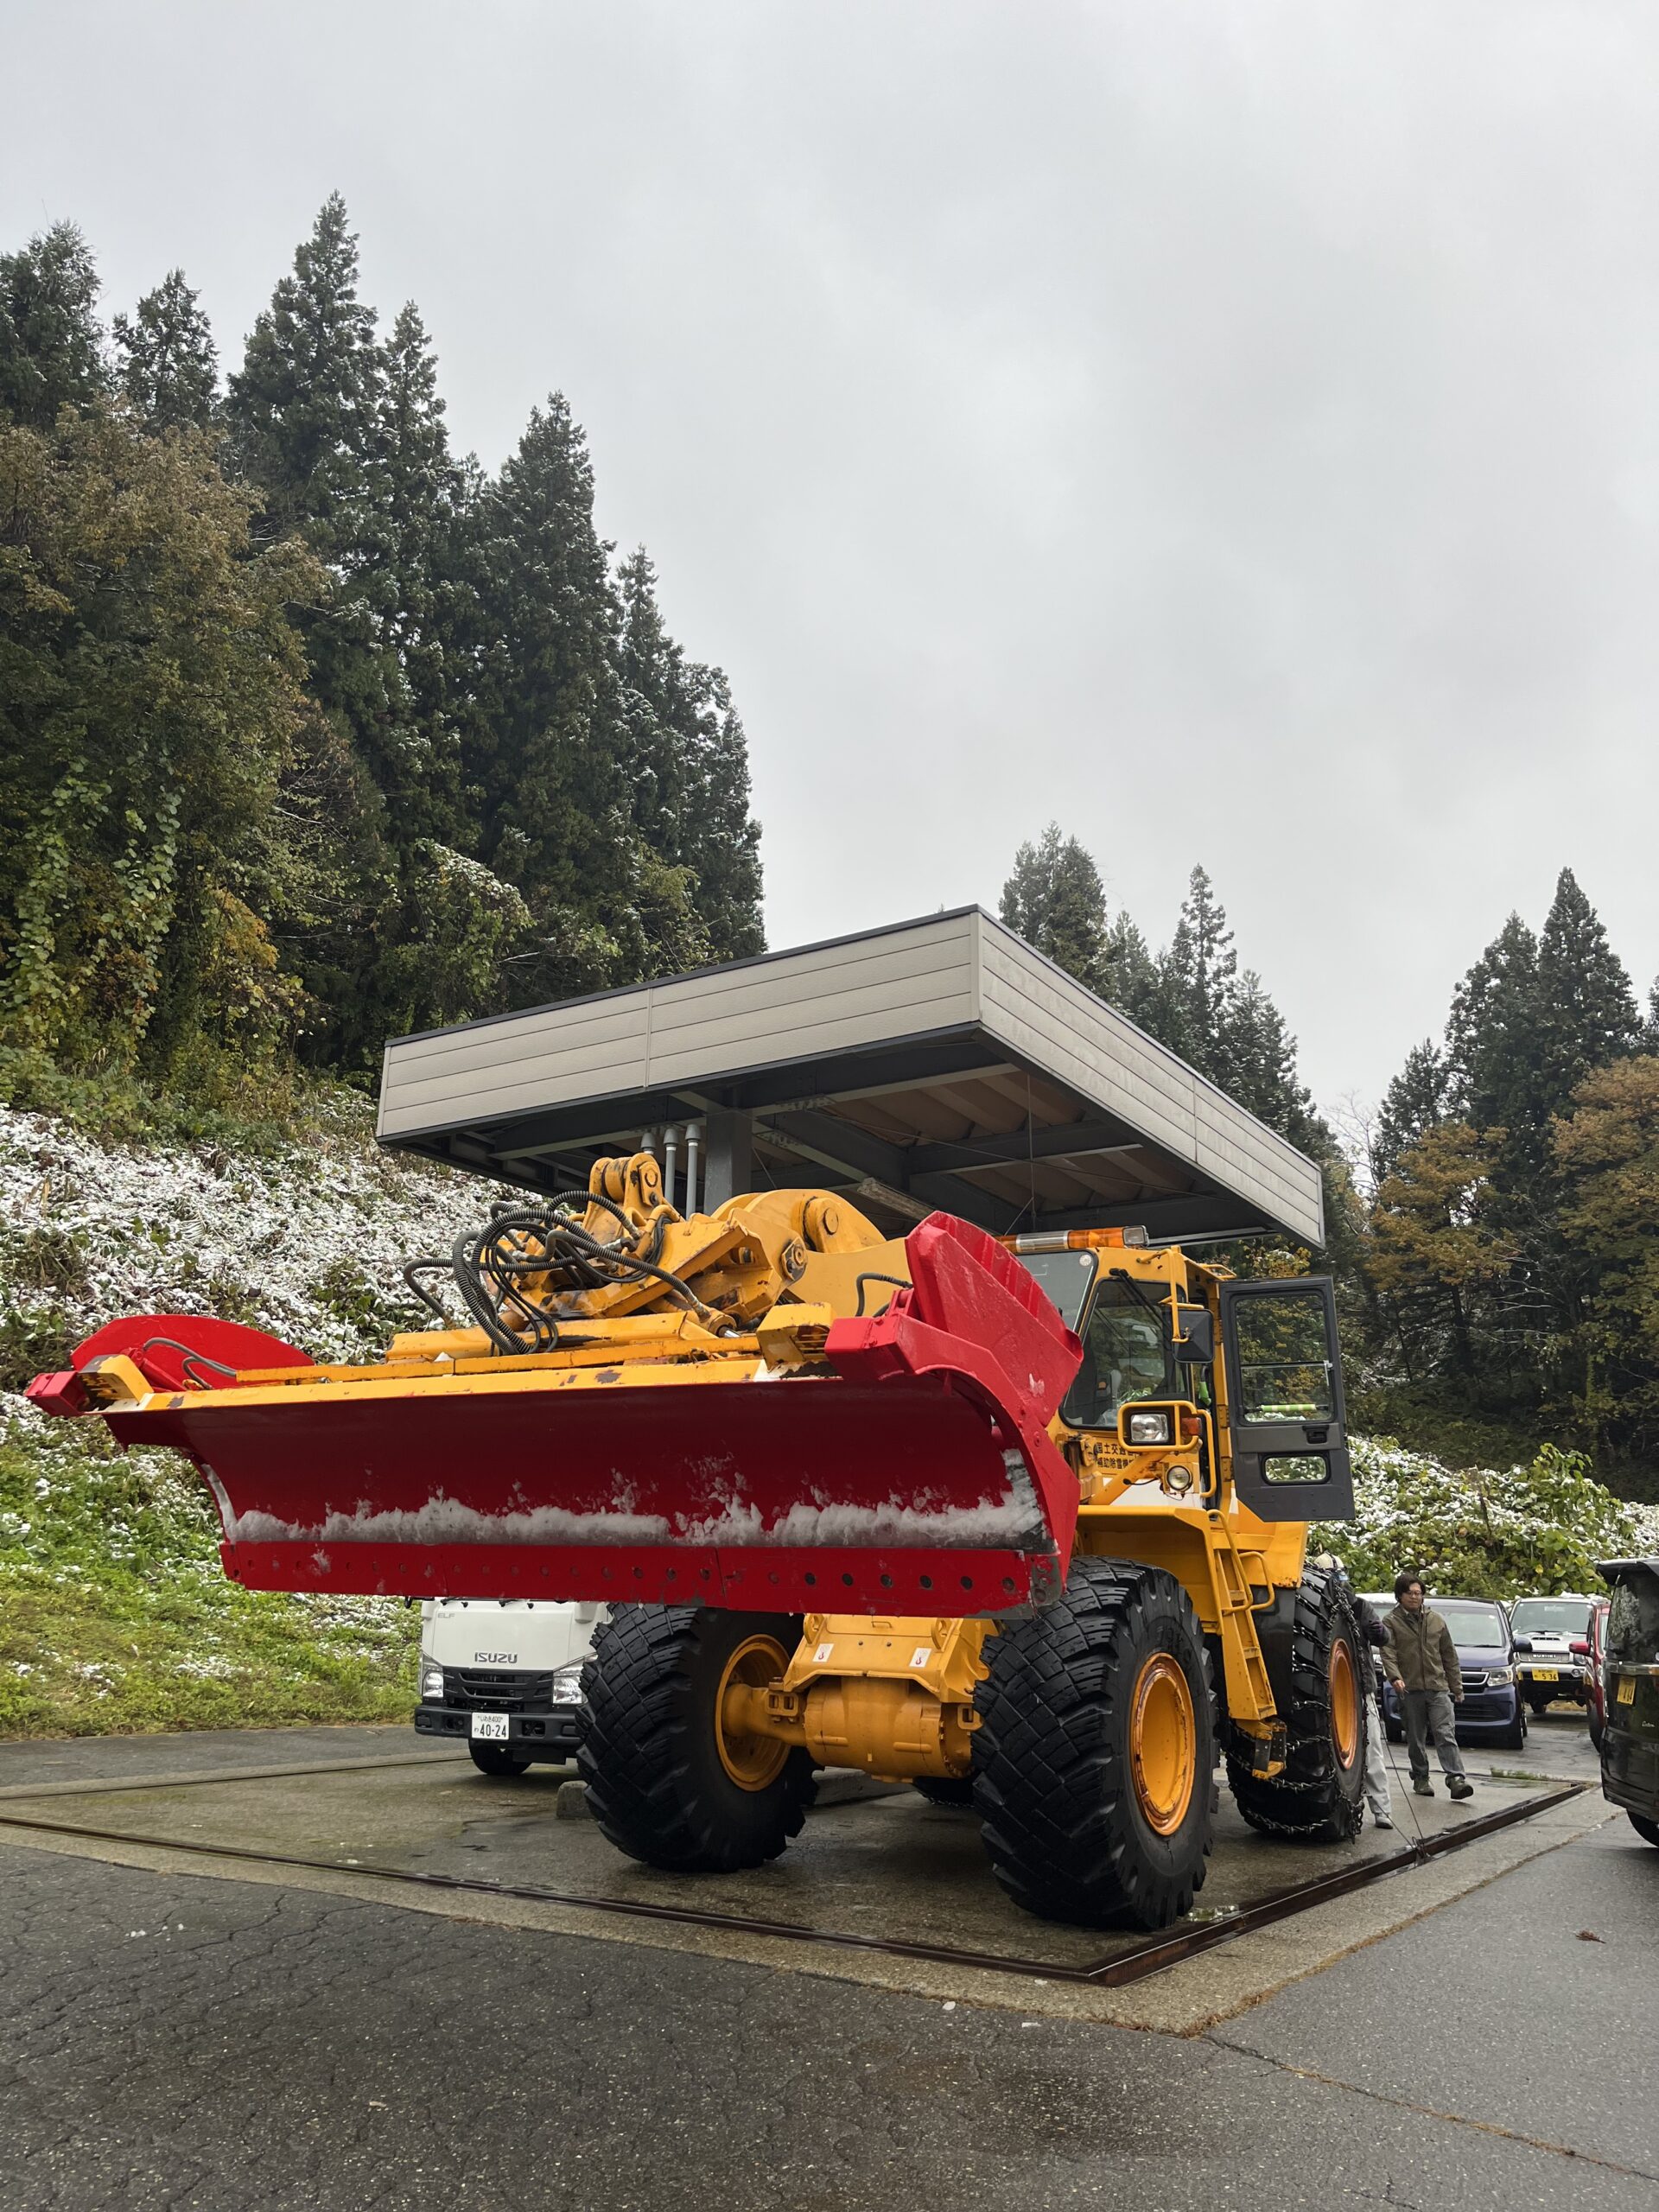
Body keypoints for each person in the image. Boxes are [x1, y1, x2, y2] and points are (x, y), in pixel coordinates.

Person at [1313, 1554, 1393, 1829]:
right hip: (1325, 1695)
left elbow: (1383, 1638)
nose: (1339, 1583)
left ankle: (1382, 1810)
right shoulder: (1315, 1609)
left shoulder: (1359, 1607)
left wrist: (1377, 1630)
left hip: (1361, 1690)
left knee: (1372, 1751)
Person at [1383, 1573, 1474, 1802]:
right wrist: (1395, 1677)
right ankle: (1421, 1777)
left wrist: (1457, 1687)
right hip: (1409, 1690)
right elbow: (1388, 1653)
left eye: (1418, 1593)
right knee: (1415, 1739)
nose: (1415, 1597)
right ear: (1400, 1595)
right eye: (1410, 1593)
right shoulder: (1390, 1622)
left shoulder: (1436, 1621)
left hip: (1437, 1688)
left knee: (1445, 1733)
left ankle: (1456, 1778)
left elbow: (1449, 1655)